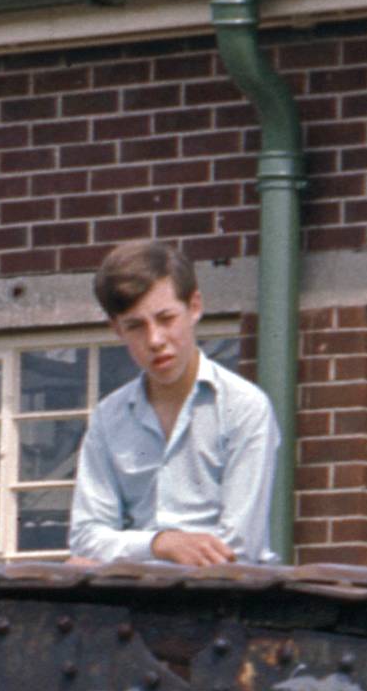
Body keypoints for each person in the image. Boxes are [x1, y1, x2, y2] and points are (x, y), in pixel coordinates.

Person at [67, 238, 281, 567]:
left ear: (194, 307)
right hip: (127, 593)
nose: (155, 340)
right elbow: (86, 537)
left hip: (226, 595)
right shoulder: (108, 418)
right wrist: (160, 543)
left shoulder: (244, 407)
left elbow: (237, 551)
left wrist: (123, 560)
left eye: (166, 318)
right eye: (135, 326)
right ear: (117, 330)